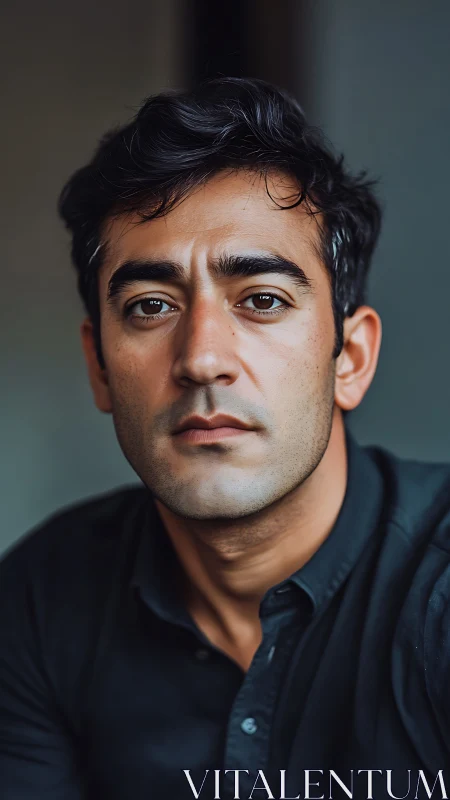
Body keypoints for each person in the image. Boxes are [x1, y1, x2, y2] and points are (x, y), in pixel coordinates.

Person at [1, 77, 449, 800]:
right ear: (99, 367)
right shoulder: (37, 603)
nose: (202, 356)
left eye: (263, 300)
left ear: (351, 358)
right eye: (151, 306)